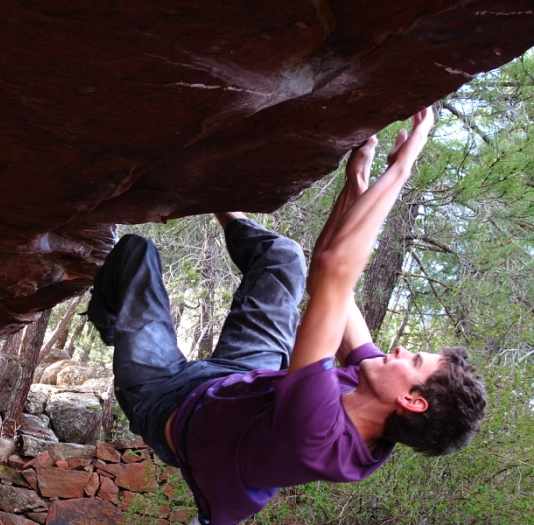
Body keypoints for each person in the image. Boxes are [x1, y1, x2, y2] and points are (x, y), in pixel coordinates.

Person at [87, 107, 487, 525]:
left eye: (415, 360)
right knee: (282, 258)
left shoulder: (316, 435)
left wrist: (403, 167)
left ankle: (112, 323)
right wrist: (356, 183)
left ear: (411, 401)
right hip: (239, 380)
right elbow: (326, 282)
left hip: (167, 402)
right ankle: (215, 193)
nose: (401, 350)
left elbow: (336, 269)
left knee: (135, 252)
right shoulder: (376, 388)